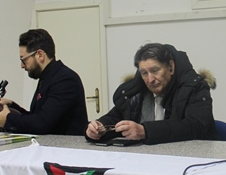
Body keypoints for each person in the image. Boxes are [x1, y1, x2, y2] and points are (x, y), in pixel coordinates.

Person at [85, 43, 217, 145]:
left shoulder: (194, 88)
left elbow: (195, 126)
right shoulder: (136, 93)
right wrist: (99, 128)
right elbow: (116, 117)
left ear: (171, 67)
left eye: (155, 71)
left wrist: (145, 131)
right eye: (144, 73)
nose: (150, 79)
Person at [0, 28, 88, 136]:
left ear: (40, 55)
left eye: (24, 60)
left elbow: (42, 124)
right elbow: (35, 117)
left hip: (67, 145)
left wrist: (8, 118)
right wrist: (11, 105)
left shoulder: (65, 80)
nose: (22, 65)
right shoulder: (47, 78)